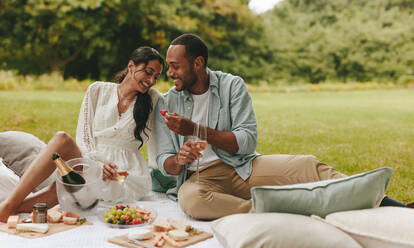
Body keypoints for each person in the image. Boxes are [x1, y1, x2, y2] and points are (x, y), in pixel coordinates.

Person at [154, 34, 408, 220]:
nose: (169, 73)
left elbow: (246, 140)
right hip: (202, 178)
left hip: (241, 167)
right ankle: (283, 211)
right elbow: (164, 160)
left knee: (307, 165)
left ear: (197, 63)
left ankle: (384, 202)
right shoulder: (169, 101)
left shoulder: (232, 86)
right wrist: (179, 159)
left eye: (175, 66)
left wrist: (196, 129)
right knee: (193, 201)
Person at [0, 46, 163, 222]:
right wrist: (97, 166)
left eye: (156, 76)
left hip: (123, 174)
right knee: (63, 140)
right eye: (148, 72)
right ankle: (8, 207)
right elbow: (83, 137)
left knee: (59, 191)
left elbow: (176, 100)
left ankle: (7, 208)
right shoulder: (98, 90)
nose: (152, 80)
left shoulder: (153, 99)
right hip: (90, 161)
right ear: (131, 66)